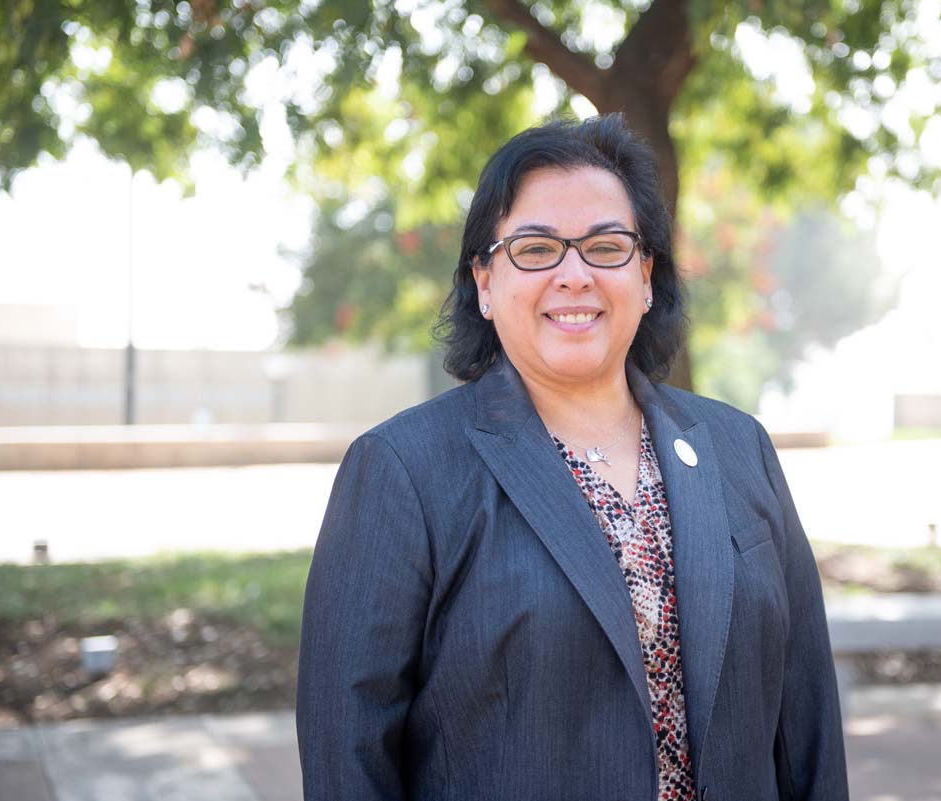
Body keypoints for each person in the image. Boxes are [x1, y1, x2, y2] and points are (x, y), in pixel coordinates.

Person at [296, 114, 848, 801]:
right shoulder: (402, 471)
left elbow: (809, 725)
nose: (575, 274)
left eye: (606, 245)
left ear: (645, 275)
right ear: (485, 282)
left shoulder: (741, 450)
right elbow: (347, 757)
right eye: (535, 249)